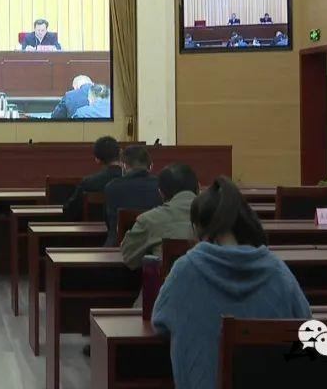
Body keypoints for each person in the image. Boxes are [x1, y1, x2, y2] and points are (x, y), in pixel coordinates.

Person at [152, 178, 311, 389]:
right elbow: (305, 322)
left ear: (199, 227)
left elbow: (159, 322)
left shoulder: (185, 270)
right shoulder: (276, 271)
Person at [120, 163, 198, 269]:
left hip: (167, 280)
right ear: (198, 188)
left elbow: (128, 257)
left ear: (161, 193)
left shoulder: (149, 220)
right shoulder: (218, 216)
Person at [102, 146, 162, 245]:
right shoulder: (161, 185)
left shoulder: (111, 187)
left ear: (124, 166)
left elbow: (109, 222)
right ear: (150, 166)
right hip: (153, 243)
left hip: (119, 244)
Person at [63, 136, 123, 221]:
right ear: (120, 154)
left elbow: (69, 211)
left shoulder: (88, 183)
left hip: (92, 228)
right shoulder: (132, 182)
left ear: (97, 159)